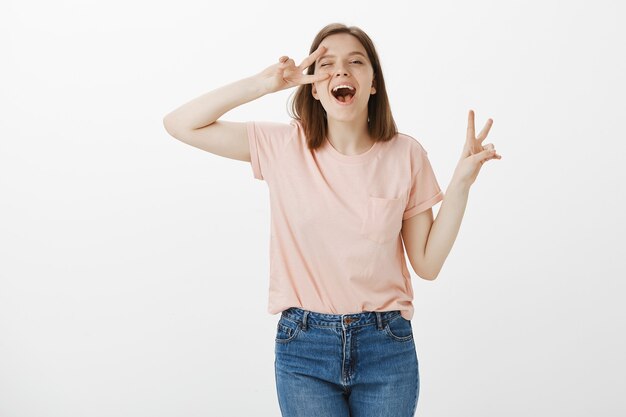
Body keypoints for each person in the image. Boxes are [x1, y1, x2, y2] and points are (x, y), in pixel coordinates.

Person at [163, 22, 501, 417]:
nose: (341, 71)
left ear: (373, 82)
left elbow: (427, 264)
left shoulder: (406, 155)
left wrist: (461, 182)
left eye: (356, 61)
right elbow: (180, 124)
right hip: (304, 347)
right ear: (314, 85)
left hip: (386, 346)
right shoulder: (283, 146)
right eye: (326, 64)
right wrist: (262, 84)